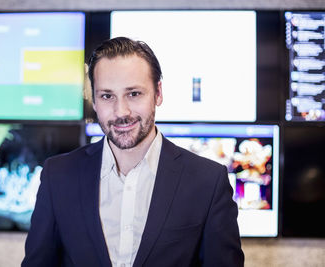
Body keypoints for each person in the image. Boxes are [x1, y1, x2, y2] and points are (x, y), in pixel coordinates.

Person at [22, 37, 244, 267]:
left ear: (158, 93)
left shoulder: (208, 181)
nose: (121, 111)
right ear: (95, 101)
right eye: (107, 96)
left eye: (134, 94)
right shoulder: (57, 175)